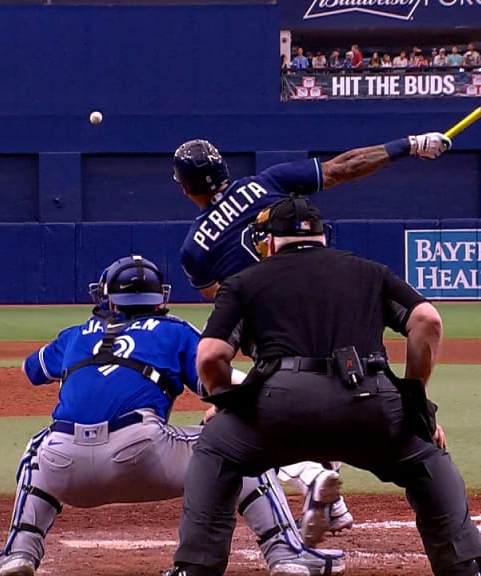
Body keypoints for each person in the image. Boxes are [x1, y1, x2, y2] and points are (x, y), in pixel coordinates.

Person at [163, 196, 481, 576]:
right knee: (426, 457)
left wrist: (226, 402)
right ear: (323, 237)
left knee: (216, 450)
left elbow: (209, 357)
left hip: (278, 407)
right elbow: (428, 322)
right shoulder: (370, 272)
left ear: (268, 241)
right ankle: (465, 568)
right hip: (369, 401)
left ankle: (195, 568)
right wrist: (415, 402)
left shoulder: (244, 282)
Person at [0, 255, 342, 576]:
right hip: (142, 454)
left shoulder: (75, 334)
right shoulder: (173, 330)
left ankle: (18, 552)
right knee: (240, 446)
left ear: (107, 298)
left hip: (63, 464)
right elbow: (218, 382)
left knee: (37, 447)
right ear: (158, 299)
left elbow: (31, 370)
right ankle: (286, 554)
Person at [172, 131, 451, 542]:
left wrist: (223, 399)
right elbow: (345, 166)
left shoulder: (194, 249)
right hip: (334, 310)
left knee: (255, 415)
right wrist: (407, 145)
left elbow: (225, 304)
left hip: (273, 339)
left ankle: (311, 478)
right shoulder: (267, 182)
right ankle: (338, 504)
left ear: (185, 188)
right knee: (341, 379)